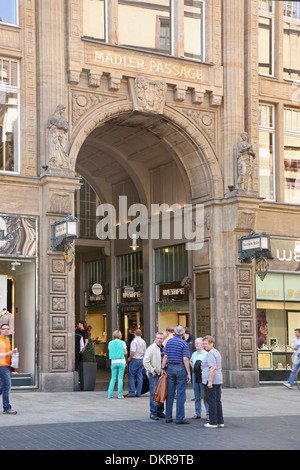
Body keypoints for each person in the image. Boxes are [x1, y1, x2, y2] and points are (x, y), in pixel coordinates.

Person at [161, 325, 191, 424]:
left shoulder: (169, 342)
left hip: (170, 367)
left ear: (174, 333)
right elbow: (185, 359)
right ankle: (179, 418)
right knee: (181, 393)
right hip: (180, 367)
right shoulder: (183, 343)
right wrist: (189, 373)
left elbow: (165, 356)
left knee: (170, 393)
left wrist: (162, 368)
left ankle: (168, 416)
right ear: (183, 333)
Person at [202, 335, 224, 428]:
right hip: (218, 380)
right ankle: (220, 421)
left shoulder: (210, 353)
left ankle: (213, 422)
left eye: (206, 344)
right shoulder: (216, 352)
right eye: (203, 344)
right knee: (217, 401)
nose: (204, 346)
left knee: (212, 401)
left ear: (212, 344)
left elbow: (213, 367)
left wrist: (209, 381)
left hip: (212, 381)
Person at [143, 331, 165, 420]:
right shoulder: (151, 348)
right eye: (158, 338)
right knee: (154, 393)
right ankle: (153, 412)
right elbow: (145, 361)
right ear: (155, 338)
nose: (159, 340)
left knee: (161, 393)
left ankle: (160, 411)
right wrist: (152, 371)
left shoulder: (163, 348)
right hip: (154, 374)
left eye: (161, 338)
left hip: (162, 374)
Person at [190, 337, 209, 420]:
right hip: (195, 375)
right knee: (196, 395)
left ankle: (208, 414)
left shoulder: (206, 354)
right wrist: (194, 368)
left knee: (205, 395)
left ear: (202, 345)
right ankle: (198, 413)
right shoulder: (194, 354)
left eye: (197, 343)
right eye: (195, 343)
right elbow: (190, 361)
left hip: (203, 375)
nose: (196, 345)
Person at [0, 324, 17, 414]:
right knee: (7, 386)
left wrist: (13, 353)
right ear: (0, 330)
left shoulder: (7, 340)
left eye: (8, 329)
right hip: (1, 365)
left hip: (6, 365)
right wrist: (8, 353)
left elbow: (7, 353)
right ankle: (6, 407)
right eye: (4, 329)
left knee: (4, 386)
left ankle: (6, 407)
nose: (6, 330)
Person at [125, 329, 146, 397]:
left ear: (134, 334)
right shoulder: (143, 342)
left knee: (131, 376)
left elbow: (133, 351)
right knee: (139, 376)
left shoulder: (134, 341)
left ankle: (131, 392)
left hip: (135, 360)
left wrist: (129, 358)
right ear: (141, 334)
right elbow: (145, 352)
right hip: (141, 360)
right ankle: (139, 393)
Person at [108, 330, 127, 399]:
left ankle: (110, 394)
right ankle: (119, 395)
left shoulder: (110, 343)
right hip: (121, 362)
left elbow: (110, 351)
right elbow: (125, 353)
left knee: (113, 378)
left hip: (113, 362)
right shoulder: (122, 342)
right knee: (120, 378)